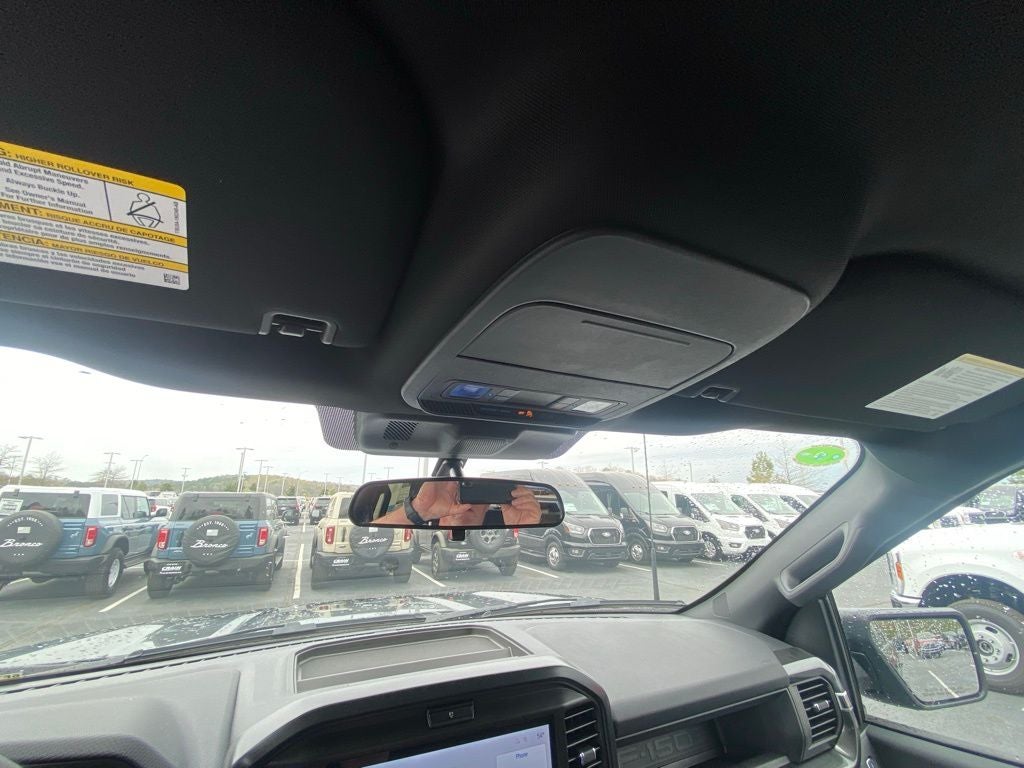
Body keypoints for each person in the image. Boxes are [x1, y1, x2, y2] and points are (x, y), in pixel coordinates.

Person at [373, 481, 542, 527]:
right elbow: (370, 535)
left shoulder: (503, 524)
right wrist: (419, 509)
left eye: (474, 492)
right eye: (454, 491)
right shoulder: (422, 522)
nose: (461, 500)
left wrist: (524, 526)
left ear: (488, 503)